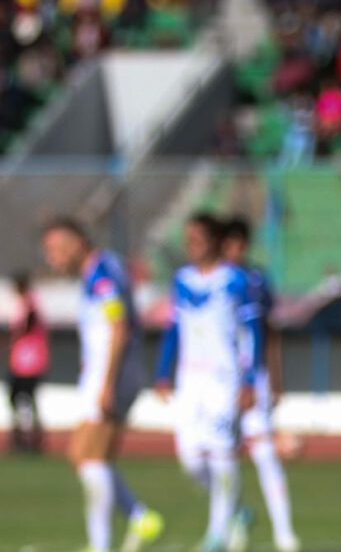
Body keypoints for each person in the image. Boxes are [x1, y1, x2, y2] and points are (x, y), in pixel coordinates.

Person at [42, 218, 163, 552]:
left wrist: (108, 383)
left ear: (77, 242)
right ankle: (139, 518)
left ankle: (103, 544)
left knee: (89, 457)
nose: (52, 259)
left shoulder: (102, 275)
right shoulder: (99, 271)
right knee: (84, 455)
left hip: (112, 375)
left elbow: (119, 327)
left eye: (55, 250)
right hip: (101, 374)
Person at [155, 213, 264, 552]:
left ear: (216, 240)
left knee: (220, 453)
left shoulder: (236, 280)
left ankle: (216, 537)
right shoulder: (182, 279)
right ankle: (235, 509)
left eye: (198, 239)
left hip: (224, 379)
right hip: (189, 379)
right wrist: (162, 371)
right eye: (188, 240)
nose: (192, 246)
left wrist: (249, 381)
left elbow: (254, 332)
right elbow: (174, 329)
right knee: (190, 459)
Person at [222, 216, 300, 552]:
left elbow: (270, 333)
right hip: (218, 380)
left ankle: (284, 534)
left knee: (265, 453)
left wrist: (274, 378)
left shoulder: (255, 280)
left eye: (240, 243)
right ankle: (235, 516)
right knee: (211, 456)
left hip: (255, 378)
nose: (235, 250)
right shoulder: (208, 281)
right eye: (229, 243)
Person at [6, 271, 50, 453]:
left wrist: (13, 338)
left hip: (31, 361)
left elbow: (27, 325)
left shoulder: (30, 303)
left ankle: (32, 437)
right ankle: (22, 435)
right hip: (21, 361)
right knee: (16, 397)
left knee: (27, 398)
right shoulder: (22, 304)